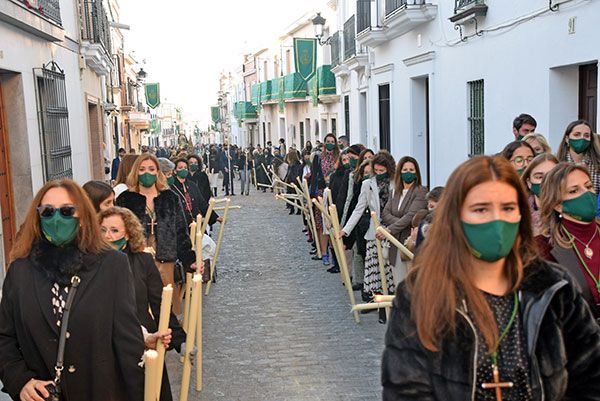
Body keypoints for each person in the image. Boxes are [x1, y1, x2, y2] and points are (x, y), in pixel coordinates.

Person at [381, 156, 600, 401]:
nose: (497, 221)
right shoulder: (421, 292)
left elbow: (589, 378)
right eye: (481, 209)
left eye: (507, 208)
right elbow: (406, 390)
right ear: (456, 217)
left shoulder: (554, 287)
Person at [0, 179, 145, 401]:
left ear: (84, 217)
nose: (57, 219)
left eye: (67, 211)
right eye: (47, 212)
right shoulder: (20, 271)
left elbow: (128, 342)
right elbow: (4, 338)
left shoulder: (112, 265)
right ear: (38, 218)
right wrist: (21, 381)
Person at [99, 206, 186, 401]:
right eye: (103, 230)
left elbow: (159, 303)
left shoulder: (143, 261)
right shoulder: (91, 265)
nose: (108, 236)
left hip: (143, 345)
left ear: (128, 235)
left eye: (114, 230)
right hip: (107, 346)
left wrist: (176, 336)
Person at [116, 153, 197, 315]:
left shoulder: (169, 198)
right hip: (136, 259)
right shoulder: (126, 199)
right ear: (136, 172)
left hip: (165, 259)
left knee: (167, 309)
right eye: (142, 169)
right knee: (141, 308)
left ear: (157, 172)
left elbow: (180, 231)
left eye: (151, 169)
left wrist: (189, 259)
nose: (147, 173)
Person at [536, 162, 600, 319]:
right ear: (558, 205)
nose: (586, 194)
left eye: (589, 186)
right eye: (574, 191)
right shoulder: (541, 248)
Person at [341, 151, 396, 323]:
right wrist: (346, 230)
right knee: (377, 273)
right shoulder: (367, 184)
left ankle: (394, 309)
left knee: (392, 273)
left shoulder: (396, 183)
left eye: (382, 171)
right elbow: (359, 208)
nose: (379, 174)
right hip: (374, 234)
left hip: (392, 232)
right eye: (377, 171)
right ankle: (382, 309)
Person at [380, 156, 428, 283]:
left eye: (411, 170)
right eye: (405, 169)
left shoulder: (421, 191)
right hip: (394, 244)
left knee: (409, 285)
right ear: (399, 172)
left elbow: (411, 216)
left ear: (416, 173)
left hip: (409, 244)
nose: (408, 172)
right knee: (397, 283)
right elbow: (385, 213)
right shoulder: (394, 192)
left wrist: (389, 229)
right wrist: (398, 224)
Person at [309, 133, 340, 265]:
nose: (330, 143)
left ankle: (335, 254)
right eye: (328, 141)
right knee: (321, 225)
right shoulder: (318, 158)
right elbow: (314, 176)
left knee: (332, 224)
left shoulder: (339, 157)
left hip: (334, 193)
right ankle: (324, 252)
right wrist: (312, 196)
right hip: (321, 193)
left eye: (332, 141)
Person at [171, 158, 220, 229]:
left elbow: (202, 203)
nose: (183, 170)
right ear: (175, 171)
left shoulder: (192, 185)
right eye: (180, 168)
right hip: (180, 226)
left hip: (195, 223)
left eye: (185, 168)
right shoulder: (172, 187)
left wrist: (215, 217)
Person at [556, 119, 600, 193]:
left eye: (586, 135)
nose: (582, 138)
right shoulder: (556, 163)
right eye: (577, 135)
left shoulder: (597, 165)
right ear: (567, 139)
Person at [520, 153, 559, 236]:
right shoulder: (519, 214)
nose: (546, 181)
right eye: (539, 177)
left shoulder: (570, 212)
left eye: (551, 176)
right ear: (529, 183)